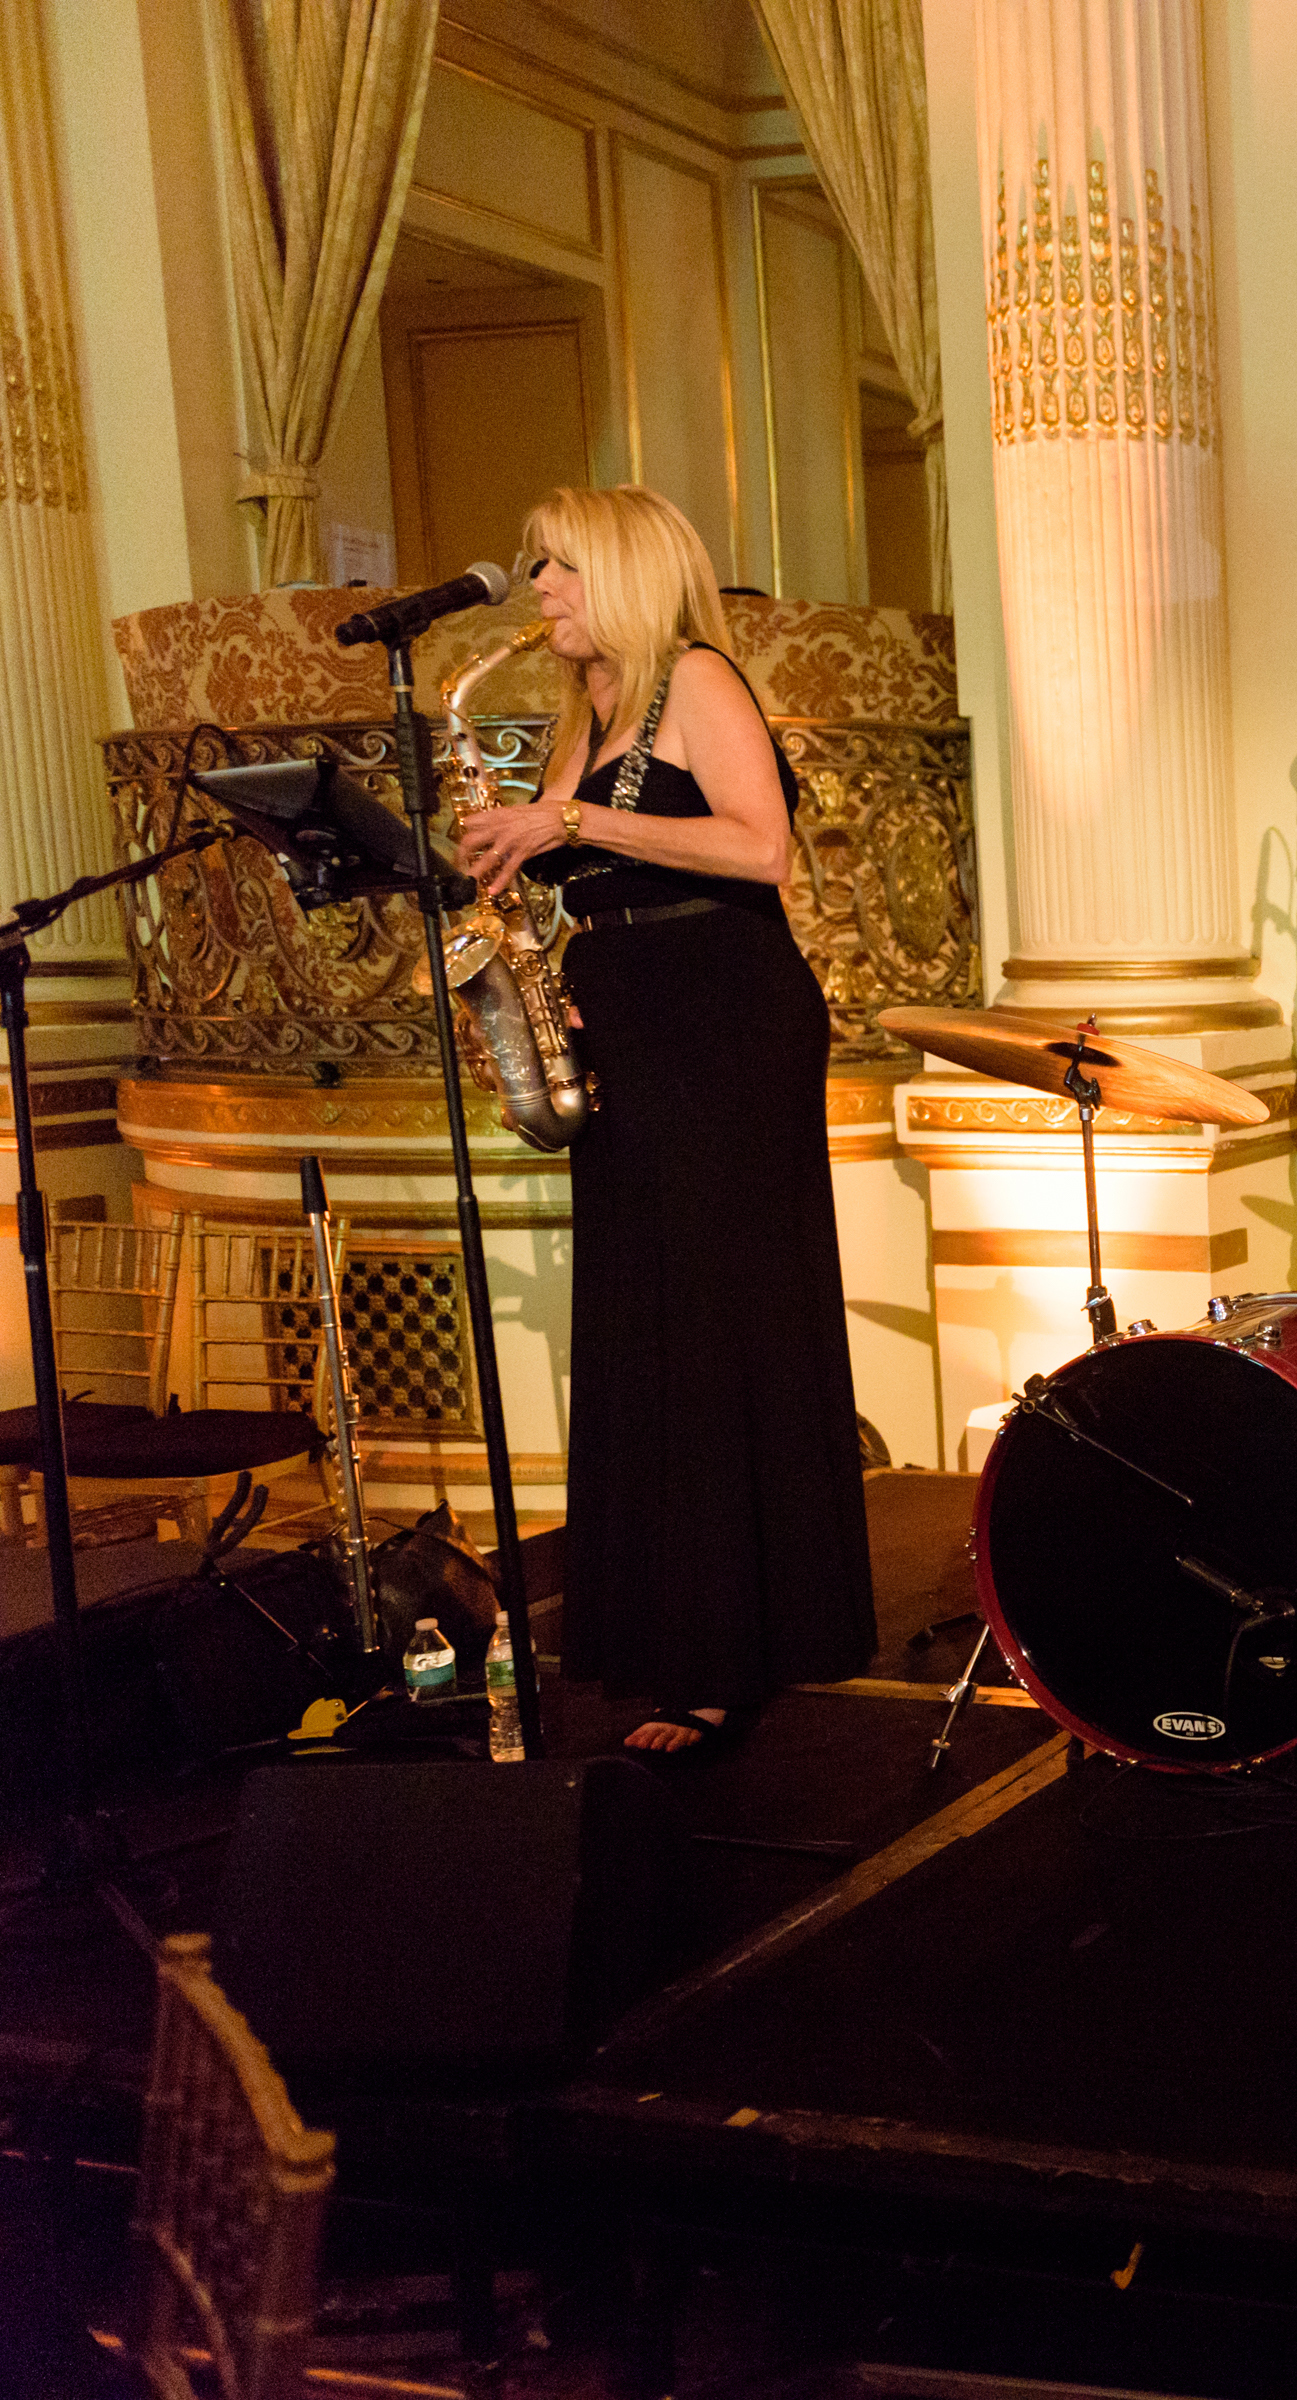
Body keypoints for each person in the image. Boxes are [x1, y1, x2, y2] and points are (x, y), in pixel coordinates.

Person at [457, 485, 875, 1758]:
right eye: (535, 567)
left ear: (626, 571)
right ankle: (663, 1632)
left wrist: (564, 819)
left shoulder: (696, 679)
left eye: (560, 567)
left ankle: (726, 1653)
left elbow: (761, 851)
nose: (538, 590)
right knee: (644, 1321)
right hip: (631, 1019)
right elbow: (606, 875)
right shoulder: (579, 713)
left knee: (712, 1321)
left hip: (726, 1022)